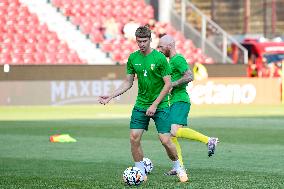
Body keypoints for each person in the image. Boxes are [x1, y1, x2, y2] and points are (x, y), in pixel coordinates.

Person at [98, 26, 188, 182]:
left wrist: (154, 105)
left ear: (150, 40)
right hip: (141, 103)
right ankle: (140, 172)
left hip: (160, 105)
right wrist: (111, 96)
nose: (141, 44)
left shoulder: (160, 58)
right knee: (134, 137)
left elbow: (167, 85)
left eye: (144, 41)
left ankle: (178, 166)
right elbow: (128, 82)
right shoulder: (133, 58)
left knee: (166, 140)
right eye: (139, 41)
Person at [157, 35, 219, 176]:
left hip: (180, 100)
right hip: (173, 101)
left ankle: (209, 140)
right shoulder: (170, 62)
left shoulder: (178, 59)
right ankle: (178, 166)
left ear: (169, 45)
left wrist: (173, 84)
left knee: (172, 132)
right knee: (171, 136)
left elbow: (190, 76)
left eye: (161, 46)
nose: (158, 49)